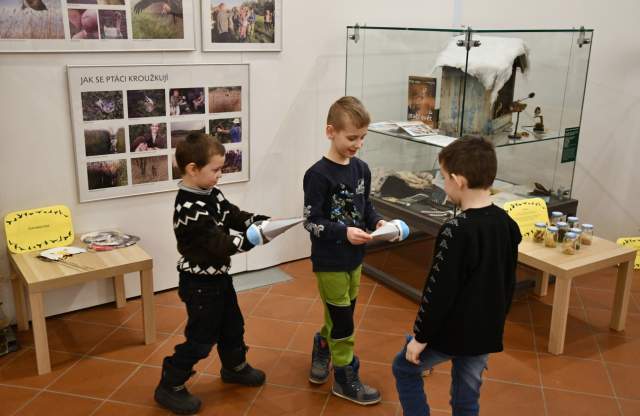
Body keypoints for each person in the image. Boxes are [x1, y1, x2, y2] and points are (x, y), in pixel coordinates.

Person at [391, 136, 522, 416]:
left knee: (403, 367)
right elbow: (508, 282)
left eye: (443, 177)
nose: (443, 184)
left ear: (458, 180)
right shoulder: (508, 224)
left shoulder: (455, 230)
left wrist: (420, 338)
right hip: (485, 333)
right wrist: (495, 324)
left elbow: (438, 292)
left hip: (451, 333)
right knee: (466, 396)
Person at [154, 132, 270, 415]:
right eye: (215, 170)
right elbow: (216, 243)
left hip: (219, 278)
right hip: (198, 283)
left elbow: (232, 214)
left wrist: (258, 222)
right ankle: (170, 383)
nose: (220, 175)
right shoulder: (188, 206)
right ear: (193, 169)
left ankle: (234, 367)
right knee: (201, 339)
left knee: (233, 325)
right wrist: (250, 240)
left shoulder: (211, 193)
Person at [303, 96, 385, 405]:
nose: (358, 144)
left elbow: (366, 206)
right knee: (343, 322)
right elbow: (311, 221)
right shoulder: (317, 175)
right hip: (330, 261)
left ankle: (323, 345)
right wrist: (344, 232)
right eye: (352, 138)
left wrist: (377, 222)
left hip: (355, 259)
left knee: (343, 313)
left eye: (363, 137)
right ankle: (344, 376)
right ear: (330, 132)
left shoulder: (361, 169)